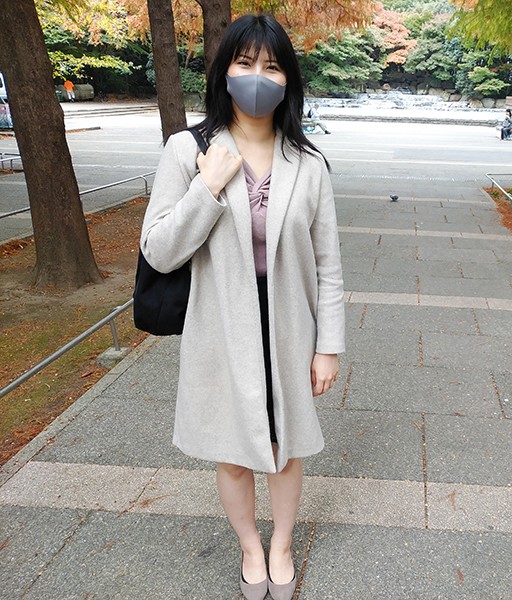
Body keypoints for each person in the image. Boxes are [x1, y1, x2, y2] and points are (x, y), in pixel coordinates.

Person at [139, 14, 345, 600]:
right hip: (221, 324)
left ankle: (282, 545)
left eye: (272, 66)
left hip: (288, 326)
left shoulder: (308, 163)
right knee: (232, 452)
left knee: (285, 448)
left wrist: (328, 346)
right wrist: (206, 188)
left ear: (289, 80)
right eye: (245, 62)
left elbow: (328, 264)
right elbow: (158, 248)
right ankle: (251, 547)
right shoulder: (189, 150)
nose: (258, 76)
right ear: (224, 71)